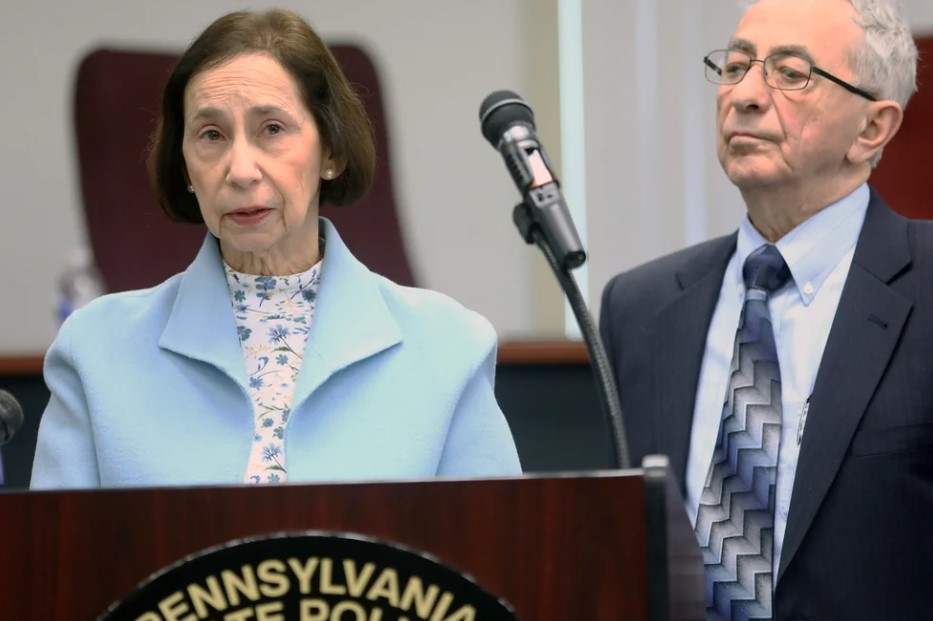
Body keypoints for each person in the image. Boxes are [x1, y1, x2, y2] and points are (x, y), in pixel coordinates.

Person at [31, 9, 521, 489]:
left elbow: (493, 542)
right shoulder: (94, 353)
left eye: (272, 129)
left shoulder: (450, 348)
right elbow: (58, 546)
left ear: (331, 151)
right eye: (211, 135)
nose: (241, 170)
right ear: (184, 166)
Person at [600, 0, 930, 619]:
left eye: (790, 73)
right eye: (735, 67)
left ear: (872, 128)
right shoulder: (640, 308)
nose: (745, 95)